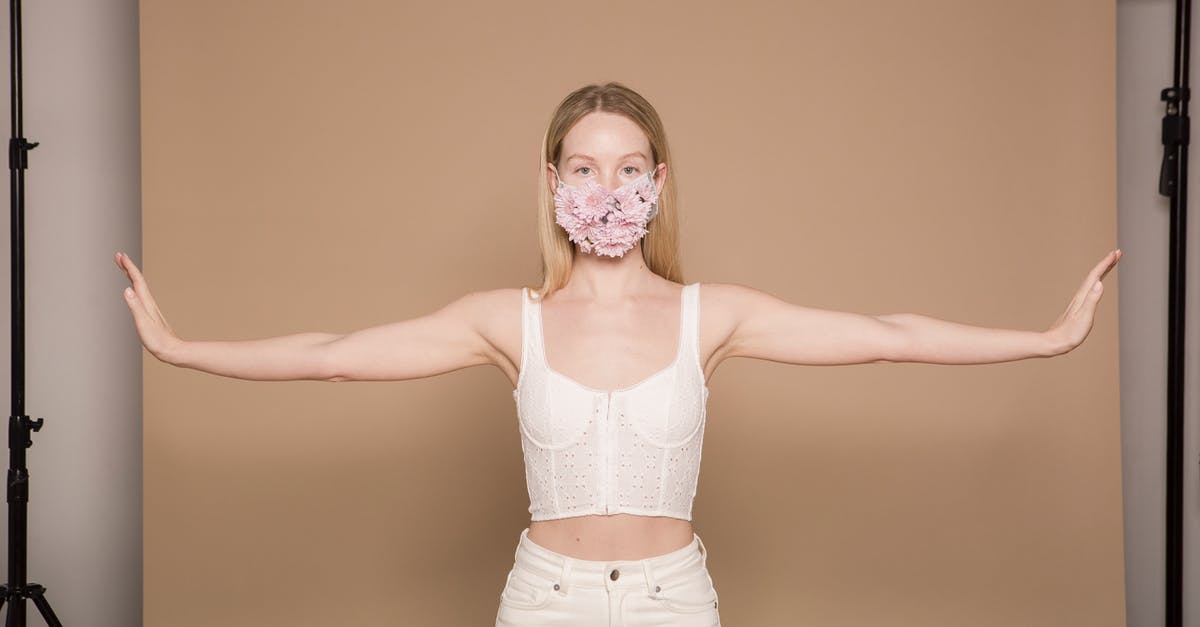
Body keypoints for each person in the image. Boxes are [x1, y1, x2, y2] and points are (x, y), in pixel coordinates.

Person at [115, 82, 1121, 627]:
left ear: (659, 180)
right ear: (552, 180)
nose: (610, 188)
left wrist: (1046, 338)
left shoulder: (710, 316)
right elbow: (335, 355)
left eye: (630, 167)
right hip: (542, 601)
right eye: (587, 167)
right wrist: (181, 348)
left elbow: (885, 340)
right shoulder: (506, 320)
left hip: (672, 601)